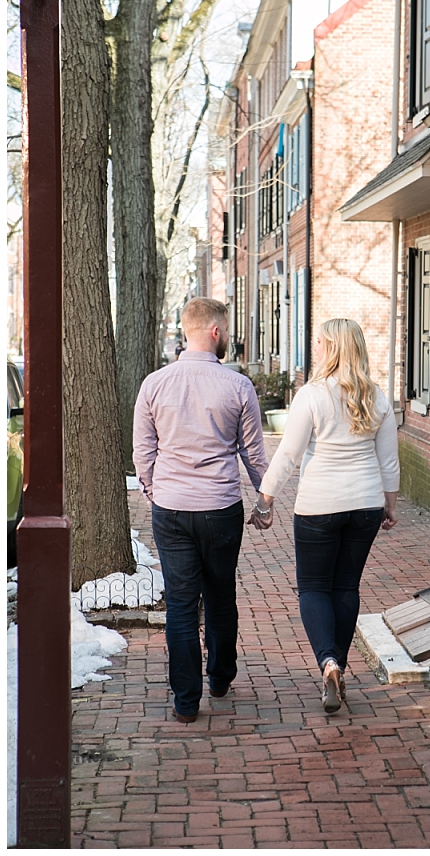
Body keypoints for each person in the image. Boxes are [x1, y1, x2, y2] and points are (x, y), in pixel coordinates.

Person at [251, 318, 399, 714]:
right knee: (346, 587)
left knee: (314, 587)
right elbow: (388, 460)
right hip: (365, 504)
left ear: (331, 348)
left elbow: (288, 455)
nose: (316, 348)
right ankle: (340, 664)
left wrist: (265, 499)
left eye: (320, 343)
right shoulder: (377, 398)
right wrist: (391, 504)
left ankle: (328, 662)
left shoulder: (312, 395)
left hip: (319, 505)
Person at [133, 297, 269, 723]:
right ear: (214, 332)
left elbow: (143, 451)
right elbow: (254, 455)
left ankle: (186, 700)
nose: (227, 336)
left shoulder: (154, 384)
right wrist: (265, 502)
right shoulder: (238, 386)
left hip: (171, 509)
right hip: (221, 507)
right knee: (220, 595)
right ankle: (221, 677)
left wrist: (156, 491)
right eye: (225, 329)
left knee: (180, 604)